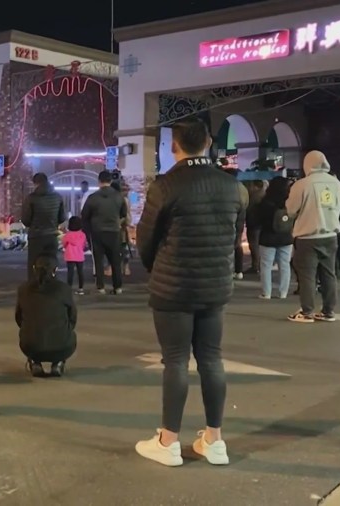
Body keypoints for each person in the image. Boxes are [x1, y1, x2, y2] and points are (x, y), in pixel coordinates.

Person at [135, 120, 246, 467]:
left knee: (176, 360)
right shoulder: (232, 187)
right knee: (212, 358)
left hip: (174, 287)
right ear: (209, 143)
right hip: (215, 286)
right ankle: (214, 440)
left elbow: (146, 239)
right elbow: (234, 236)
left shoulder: (165, 186)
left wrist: (157, 267)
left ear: (173, 146)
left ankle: (168, 441)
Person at [285, 150, 340, 323]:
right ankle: (328, 311)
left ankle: (307, 312)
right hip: (331, 235)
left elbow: (291, 209)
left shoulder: (303, 184)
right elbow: (339, 206)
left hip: (307, 237)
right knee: (329, 274)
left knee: (307, 275)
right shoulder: (335, 183)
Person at [15, 255, 77, 378]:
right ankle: (58, 362)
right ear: (55, 270)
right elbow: (72, 317)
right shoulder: (64, 289)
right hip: (62, 346)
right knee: (68, 334)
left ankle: (35, 361)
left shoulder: (23, 289)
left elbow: (19, 318)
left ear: (34, 269)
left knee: (30, 332)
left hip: (30, 346)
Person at [81, 170, 126, 294]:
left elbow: (84, 216)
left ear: (99, 181)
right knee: (115, 260)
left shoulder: (92, 197)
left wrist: (87, 231)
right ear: (111, 181)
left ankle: (100, 287)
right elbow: (123, 214)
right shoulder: (118, 196)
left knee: (98, 260)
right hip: (114, 232)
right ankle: (118, 287)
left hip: (97, 232)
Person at [255, 177, 294, 300]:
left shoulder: (265, 202)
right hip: (286, 237)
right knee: (285, 265)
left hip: (268, 237)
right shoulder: (289, 201)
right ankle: (283, 292)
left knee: (266, 265)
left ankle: (266, 292)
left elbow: (258, 220)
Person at [21, 172, 65, 279]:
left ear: (35, 184)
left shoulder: (31, 198)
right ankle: (51, 285)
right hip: (52, 236)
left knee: (34, 263)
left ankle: (33, 287)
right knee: (51, 262)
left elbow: (26, 220)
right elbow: (62, 218)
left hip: (36, 236)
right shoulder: (57, 197)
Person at [62, 216, 87, 295]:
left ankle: (69, 287)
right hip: (79, 256)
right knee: (80, 272)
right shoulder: (82, 235)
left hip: (70, 256)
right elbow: (84, 245)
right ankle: (81, 288)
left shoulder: (67, 235)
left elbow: (64, 244)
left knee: (70, 272)